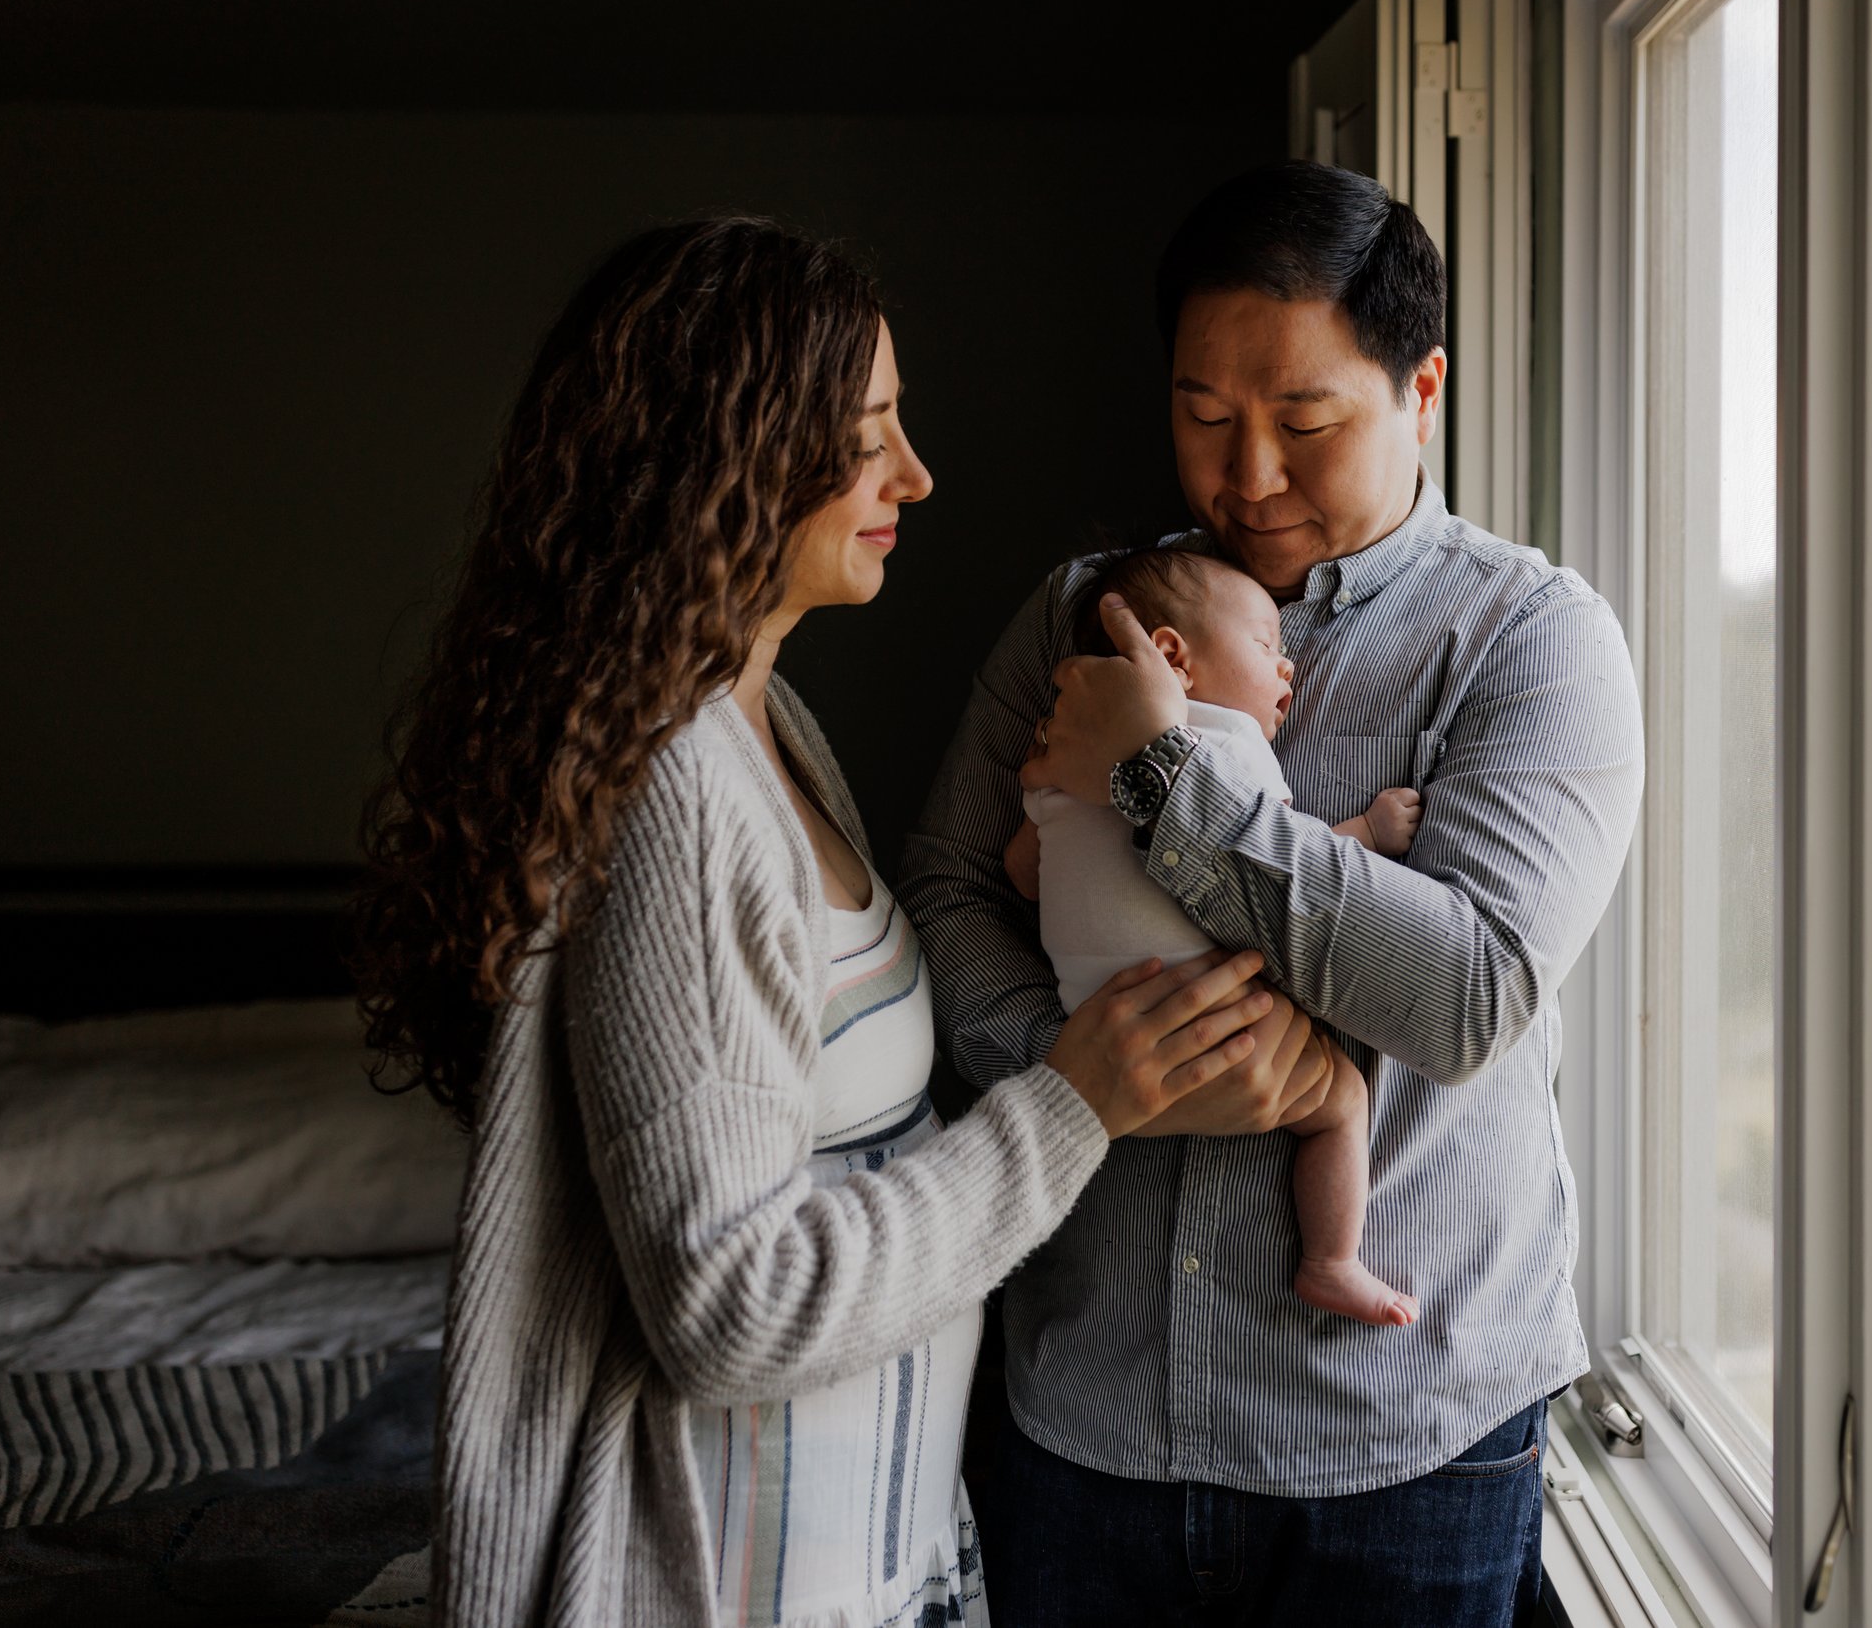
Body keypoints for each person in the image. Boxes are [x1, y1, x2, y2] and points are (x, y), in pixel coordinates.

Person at [349, 215, 1332, 1628]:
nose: (915, 477)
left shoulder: (771, 729)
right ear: (731, 456)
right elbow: (728, 1306)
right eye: (869, 436)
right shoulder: (684, 791)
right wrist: (1074, 1111)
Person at [900, 162, 1646, 1623]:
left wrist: (1166, 783)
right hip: (1085, 1417)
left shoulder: (1532, 641)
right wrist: (1081, 1076)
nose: (1245, 478)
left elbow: (1469, 991)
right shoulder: (1077, 611)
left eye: (1306, 424)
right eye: (1201, 416)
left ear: (1421, 387)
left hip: (1405, 1440)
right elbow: (941, 893)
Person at [1008, 544, 1424, 1328]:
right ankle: (1332, 1261)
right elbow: (1285, 866)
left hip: (1092, 1021)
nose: (1288, 667)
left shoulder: (1059, 749)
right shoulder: (1231, 747)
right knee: (1340, 1101)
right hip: (1220, 1014)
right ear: (1174, 657)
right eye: (1268, 646)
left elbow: (1022, 872)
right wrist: (1366, 829)